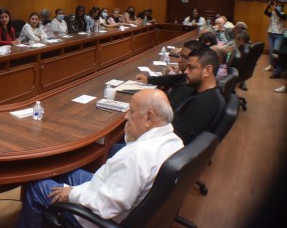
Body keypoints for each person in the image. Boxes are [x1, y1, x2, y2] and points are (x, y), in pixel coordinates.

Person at [17, 89, 183, 227]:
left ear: (148, 118)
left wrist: (72, 194)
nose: (126, 116)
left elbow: (106, 207)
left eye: (132, 111)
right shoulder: (174, 141)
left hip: (96, 217)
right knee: (62, 171)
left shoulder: (136, 156)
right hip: (107, 188)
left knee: (36, 186)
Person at [172, 48, 225, 145]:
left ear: (207, 70)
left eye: (191, 67)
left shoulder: (203, 104)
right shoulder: (208, 93)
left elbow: (179, 143)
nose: (186, 71)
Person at [135, 40, 206, 102]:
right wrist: (148, 79)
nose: (179, 60)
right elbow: (174, 78)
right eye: (180, 56)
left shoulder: (188, 85)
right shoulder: (186, 76)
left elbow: (171, 108)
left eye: (185, 57)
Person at [264, 1, 286, 72]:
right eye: (277, 5)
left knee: (276, 51)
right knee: (271, 51)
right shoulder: (272, 14)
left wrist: (274, 9)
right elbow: (265, 12)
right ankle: (271, 65)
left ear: (282, 8)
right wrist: (268, 6)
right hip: (271, 34)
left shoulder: (284, 15)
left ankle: (277, 67)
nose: (277, 7)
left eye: (279, 6)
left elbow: (280, 16)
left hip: (279, 35)